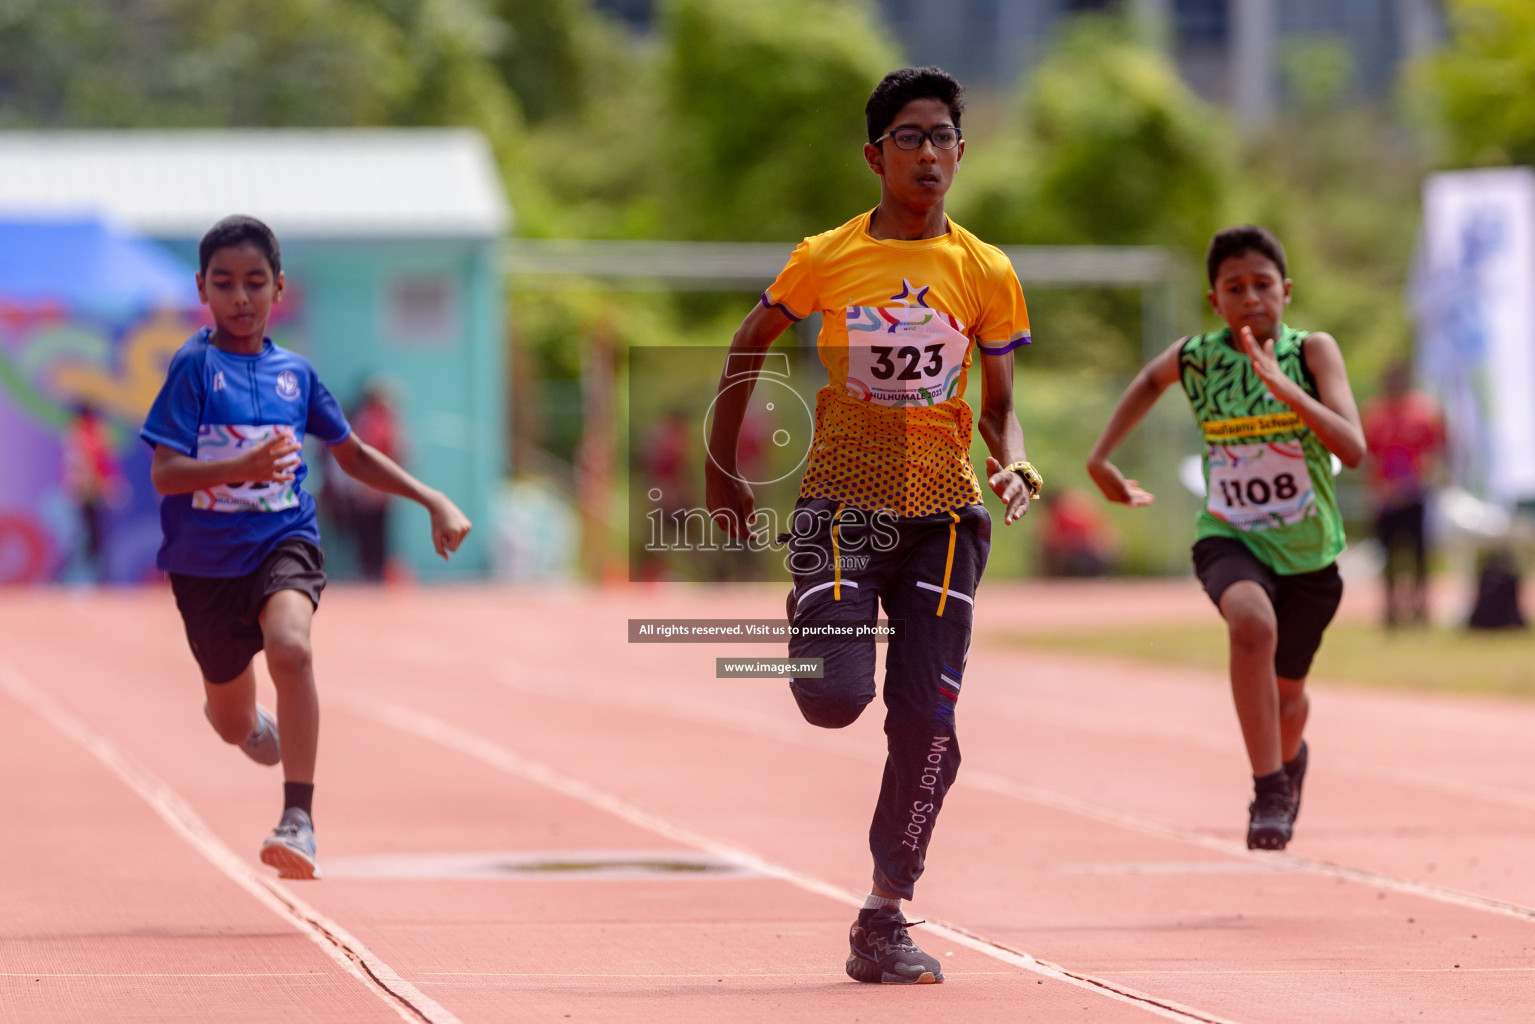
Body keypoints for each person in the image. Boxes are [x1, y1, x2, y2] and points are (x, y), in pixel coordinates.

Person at [705, 66, 1038, 984]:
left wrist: (1012, 458)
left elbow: (1002, 402)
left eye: (941, 138)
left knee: (930, 726)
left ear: (961, 154)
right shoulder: (825, 257)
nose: (927, 154)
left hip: (943, 514)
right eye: (908, 138)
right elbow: (748, 343)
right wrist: (721, 468)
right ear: (874, 154)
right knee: (833, 699)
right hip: (841, 505)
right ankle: (818, 617)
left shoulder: (984, 272)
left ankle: (884, 914)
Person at [140, 215, 471, 879]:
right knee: (232, 727)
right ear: (202, 288)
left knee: (292, 648)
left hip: (282, 538)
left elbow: (352, 455)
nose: (241, 297)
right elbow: (165, 474)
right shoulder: (194, 367)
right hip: (205, 566)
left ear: (278, 288)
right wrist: (240, 468)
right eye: (225, 283)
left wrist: (433, 498)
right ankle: (248, 723)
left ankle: (299, 819)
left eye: (255, 282)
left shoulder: (296, 375)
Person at [1086, 225, 1364, 852]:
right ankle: (1268, 786)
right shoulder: (1198, 357)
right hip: (1229, 534)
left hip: (1310, 554)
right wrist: (1102, 457)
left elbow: (1354, 446)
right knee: (1250, 624)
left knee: (1288, 700)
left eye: (1263, 285)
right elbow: (1150, 382)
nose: (1251, 297)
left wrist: (1286, 391)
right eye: (1234, 287)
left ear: (1285, 291)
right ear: (1216, 300)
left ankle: (1288, 764)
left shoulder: (1312, 352)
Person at [1361, 362, 1444, 627]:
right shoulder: (1374, 415)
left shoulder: (1423, 413)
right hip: (1385, 498)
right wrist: (1378, 488)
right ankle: (1391, 612)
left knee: (1419, 556)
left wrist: (1419, 483)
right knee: (1388, 557)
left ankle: (1420, 610)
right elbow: (1365, 455)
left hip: (1415, 495)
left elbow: (1436, 452)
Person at [61, 402, 123, 581]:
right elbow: (101, 463)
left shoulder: (83, 433)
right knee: (88, 534)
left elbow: (98, 462)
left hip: (88, 489)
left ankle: (94, 577)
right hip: (88, 489)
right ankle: (84, 576)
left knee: (91, 534)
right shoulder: (90, 433)